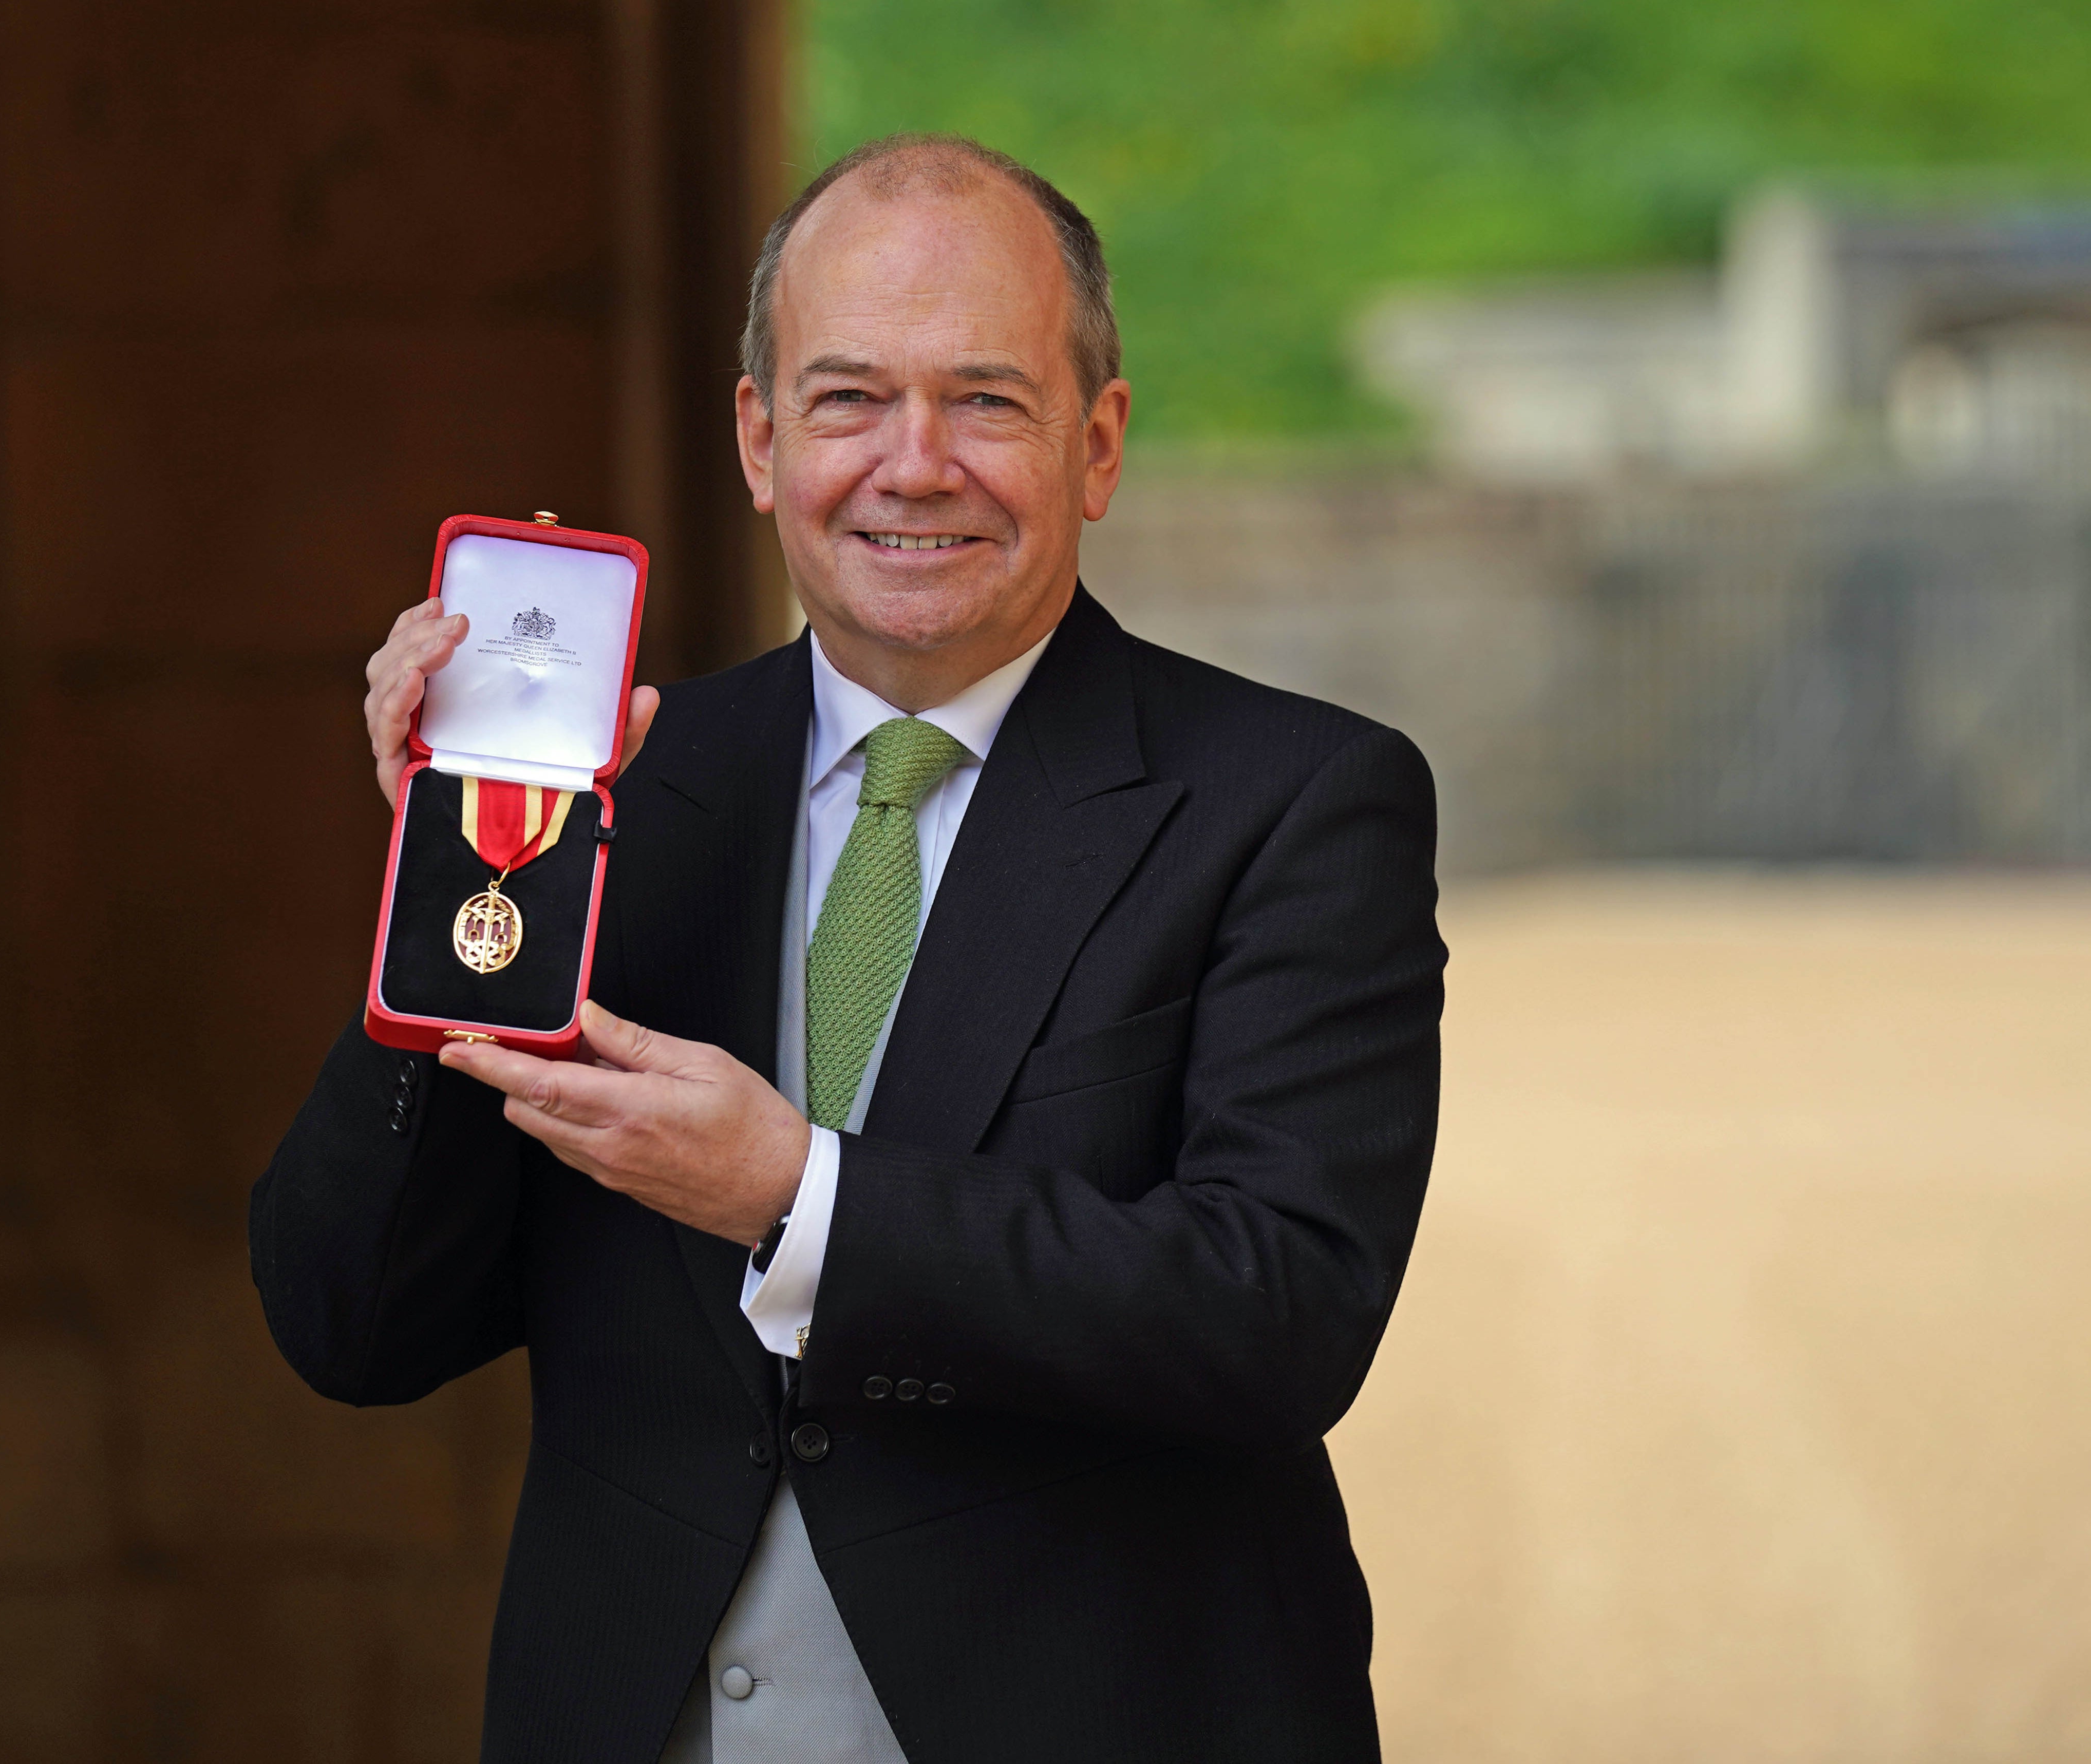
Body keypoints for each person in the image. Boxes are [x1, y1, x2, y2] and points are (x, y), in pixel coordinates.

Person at [252, 133, 1446, 1764]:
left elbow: (1280, 1310)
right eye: (846, 400)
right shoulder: (621, 786)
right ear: (758, 441)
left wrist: (797, 1195)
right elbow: (351, 1325)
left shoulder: (1299, 800)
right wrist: (459, 881)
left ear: (1098, 443)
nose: (915, 462)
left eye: (988, 400)